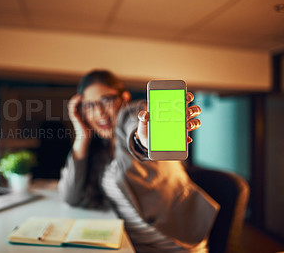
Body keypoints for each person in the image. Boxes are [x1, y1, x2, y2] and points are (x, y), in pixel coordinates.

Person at [58, 70, 219, 252]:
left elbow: (135, 125)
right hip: (133, 246)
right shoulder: (101, 152)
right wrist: (81, 136)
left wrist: (143, 141)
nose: (99, 112)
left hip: (173, 245)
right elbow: (70, 197)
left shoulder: (132, 114)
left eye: (106, 100)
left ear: (124, 98)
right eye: (89, 106)